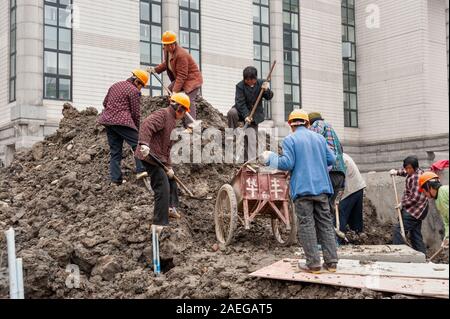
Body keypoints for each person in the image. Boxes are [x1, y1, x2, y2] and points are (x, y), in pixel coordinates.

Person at [261, 109, 338, 274]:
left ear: (291, 125)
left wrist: (270, 158)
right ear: (307, 123)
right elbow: (331, 159)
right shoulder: (319, 138)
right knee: (325, 223)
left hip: (303, 190)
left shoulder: (290, 139)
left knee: (307, 225)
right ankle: (331, 263)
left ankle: (314, 264)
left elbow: (287, 164)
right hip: (322, 189)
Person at [135, 93, 191, 233]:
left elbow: (167, 149)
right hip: (149, 156)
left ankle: (171, 207)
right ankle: (159, 222)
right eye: (184, 112)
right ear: (180, 108)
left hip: (159, 158)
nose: (184, 115)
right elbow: (147, 125)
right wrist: (144, 144)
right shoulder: (163, 114)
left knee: (171, 180)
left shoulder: (172, 121)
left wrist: (169, 168)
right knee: (162, 186)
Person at [98, 70, 149, 185]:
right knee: (138, 143)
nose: (141, 88)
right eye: (141, 86)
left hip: (108, 121)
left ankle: (115, 180)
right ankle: (141, 170)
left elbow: (105, 103)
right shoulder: (134, 91)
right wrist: (136, 129)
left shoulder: (115, 85)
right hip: (122, 121)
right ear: (137, 82)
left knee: (115, 152)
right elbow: (136, 113)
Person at [148, 31, 203, 129]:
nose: (170, 47)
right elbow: (166, 63)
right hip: (182, 78)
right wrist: (155, 70)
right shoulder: (167, 51)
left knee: (188, 100)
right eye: (167, 45)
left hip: (192, 80)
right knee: (170, 92)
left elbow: (182, 75)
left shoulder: (181, 55)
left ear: (174, 43)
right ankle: (173, 116)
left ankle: (191, 126)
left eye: (171, 45)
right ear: (164, 45)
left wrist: (175, 91)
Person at [308, 112, 346, 226]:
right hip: (340, 174)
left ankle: (324, 240)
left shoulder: (317, 125)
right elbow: (341, 149)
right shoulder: (331, 129)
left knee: (322, 209)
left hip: (329, 172)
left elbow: (312, 141)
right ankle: (333, 240)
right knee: (329, 207)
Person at [227, 66, 273, 161]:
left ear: (255, 78)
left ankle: (249, 161)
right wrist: (246, 115)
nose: (249, 82)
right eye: (247, 80)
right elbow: (240, 102)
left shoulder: (261, 84)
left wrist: (267, 90)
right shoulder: (240, 86)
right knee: (232, 113)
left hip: (255, 115)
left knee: (251, 138)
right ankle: (233, 133)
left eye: (251, 80)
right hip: (241, 111)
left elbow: (269, 97)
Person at [390, 156, 429, 254]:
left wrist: (402, 204)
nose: (407, 170)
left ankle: (399, 253)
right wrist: (396, 172)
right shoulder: (414, 171)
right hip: (418, 209)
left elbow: (414, 198)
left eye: (409, 168)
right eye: (406, 168)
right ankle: (422, 257)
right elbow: (406, 172)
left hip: (415, 210)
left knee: (398, 230)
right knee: (415, 235)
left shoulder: (417, 177)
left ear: (415, 168)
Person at [338, 153, 366, 237]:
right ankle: (357, 234)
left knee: (340, 211)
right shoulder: (344, 156)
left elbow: (339, 178)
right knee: (355, 215)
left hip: (351, 188)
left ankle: (340, 236)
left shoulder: (339, 159)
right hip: (358, 186)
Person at [418, 172, 449, 248]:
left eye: (424, 191)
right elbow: (446, 221)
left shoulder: (444, 191)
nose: (425, 195)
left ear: (429, 188)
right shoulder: (438, 200)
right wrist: (447, 237)